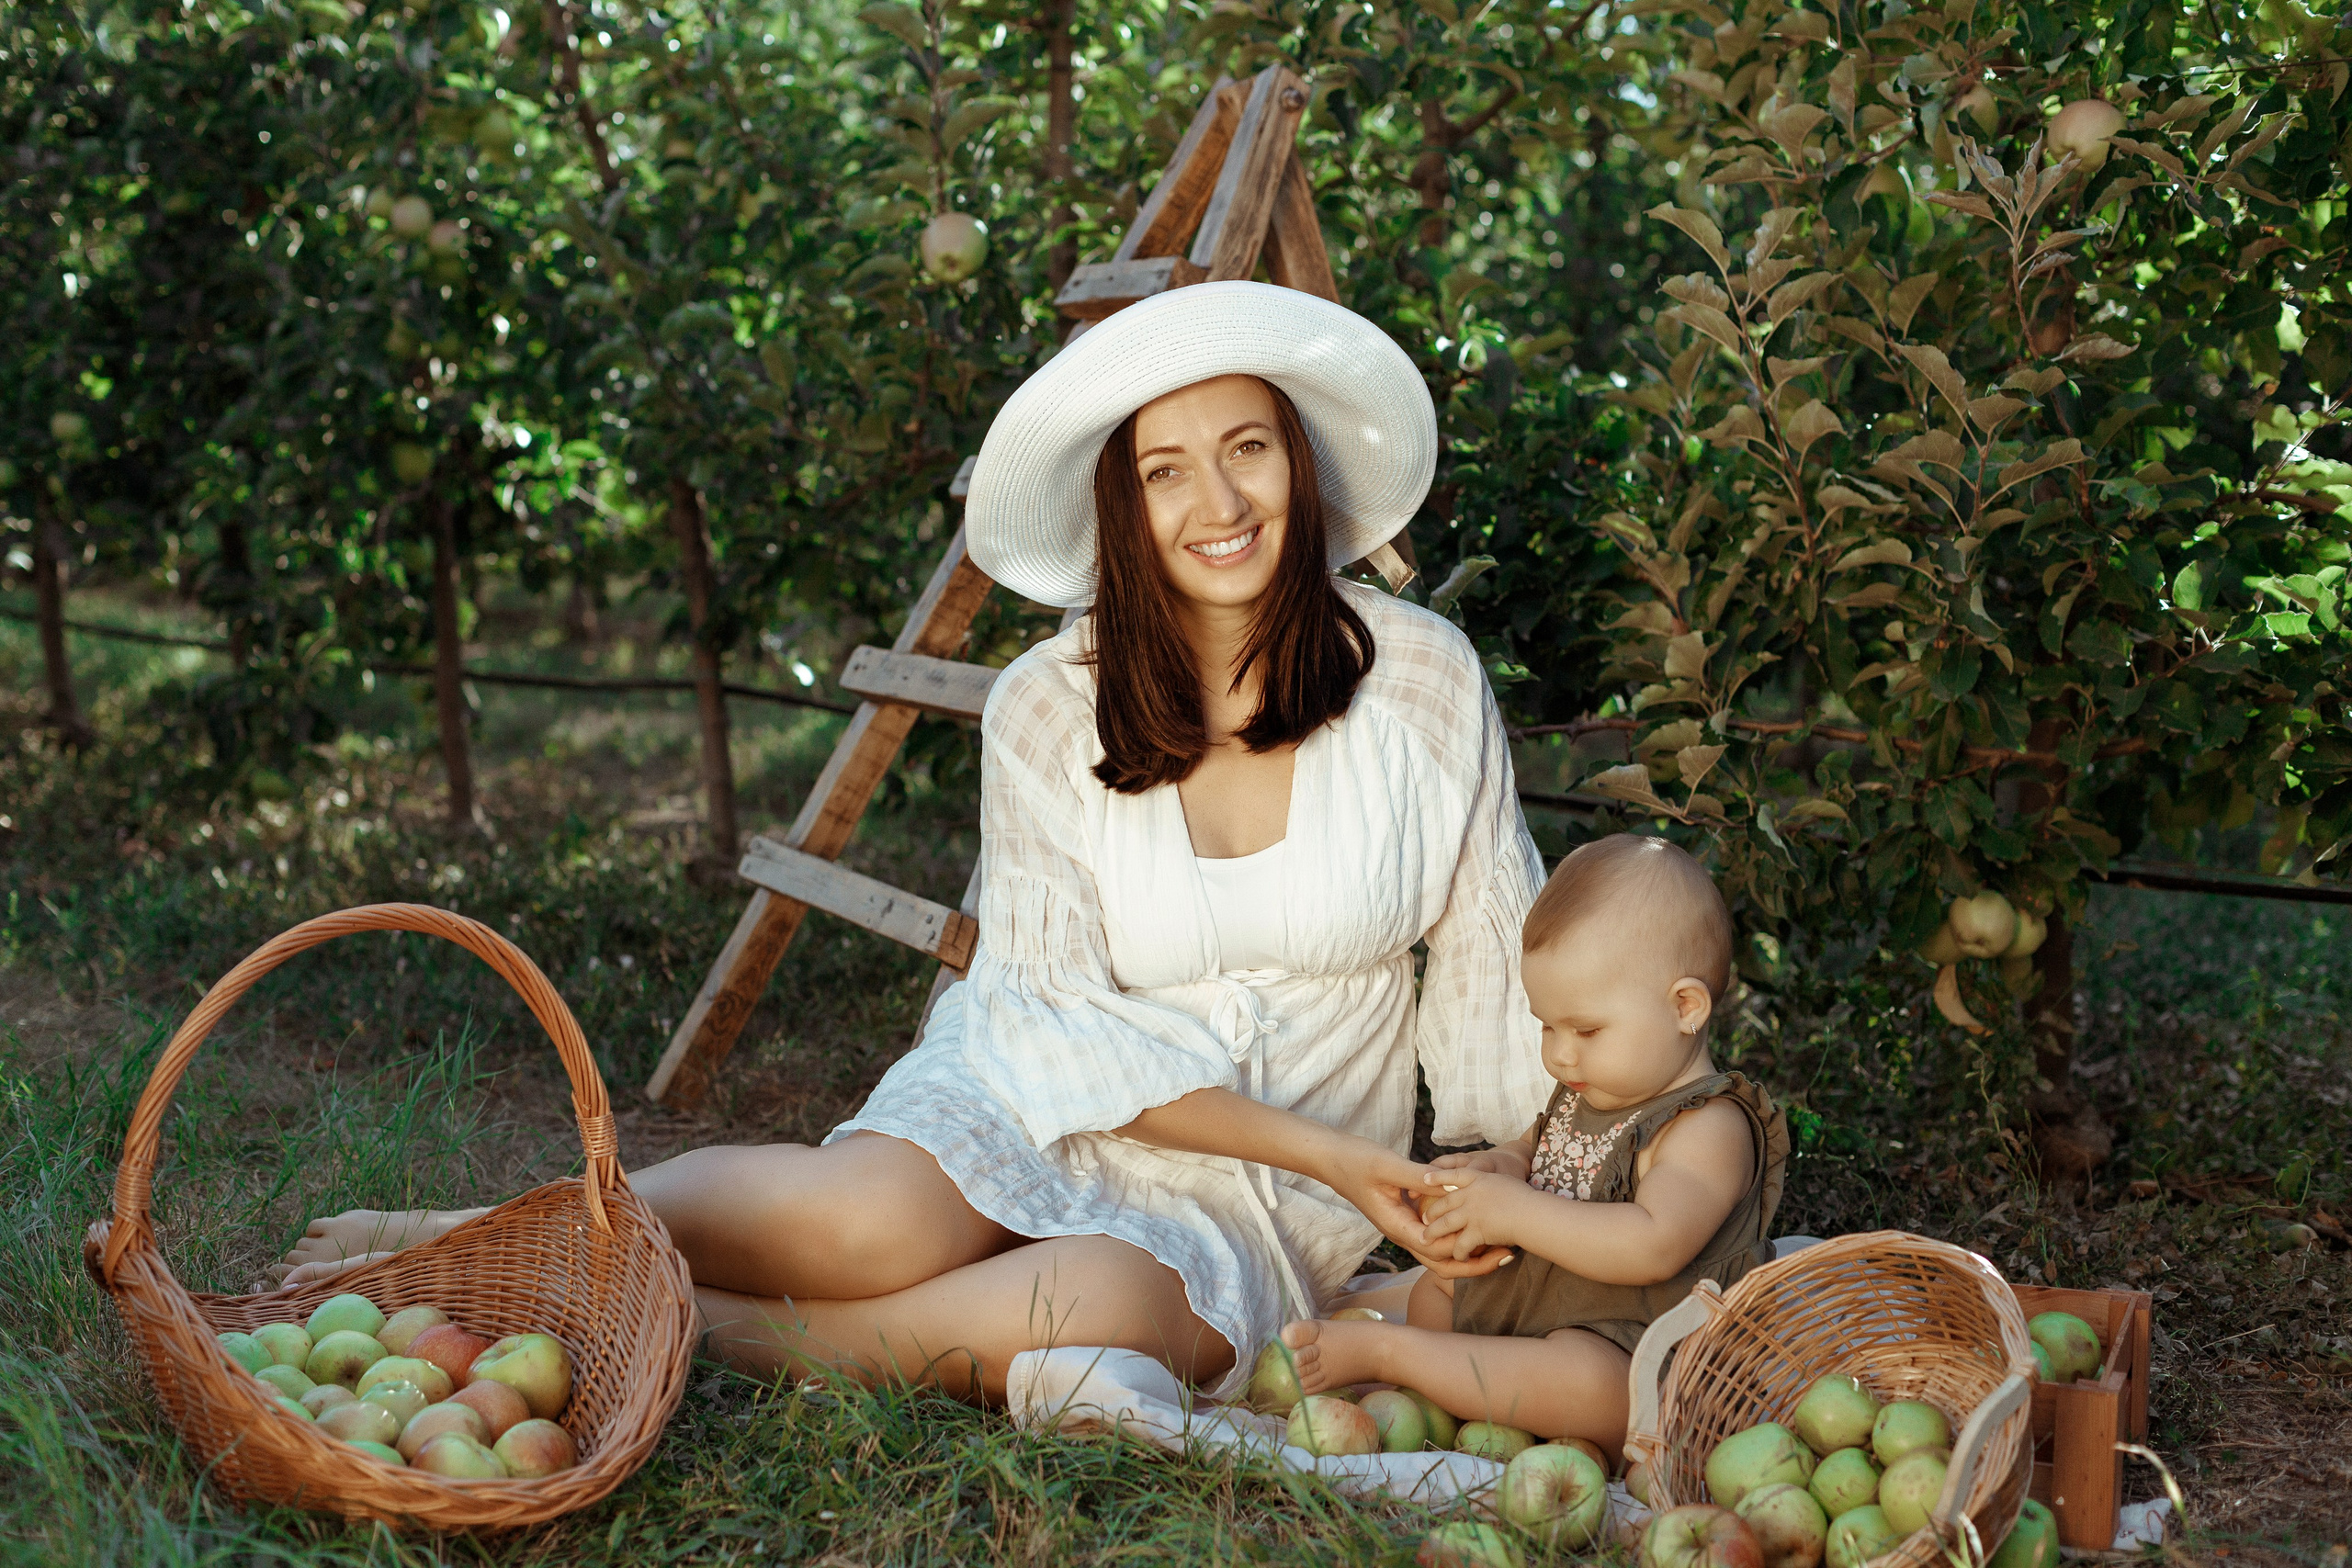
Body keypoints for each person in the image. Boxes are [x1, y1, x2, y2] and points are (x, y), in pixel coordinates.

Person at [271, 281, 1553, 1404]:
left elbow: (1498, 948)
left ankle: (661, 1316)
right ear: (1121, 499)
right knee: (868, 1224)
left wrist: (1496, 1160)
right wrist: (1348, 1151)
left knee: (1087, 1306)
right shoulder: (1049, 705)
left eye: (1248, 449)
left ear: (1301, 463)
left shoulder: (1419, 681)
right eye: (1165, 468)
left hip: (1253, 1201)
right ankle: (503, 1232)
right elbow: (1044, 1011)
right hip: (1037, 1088)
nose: (1217, 502)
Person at [1274, 834, 1789, 1454]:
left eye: (1587, 1028)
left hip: (1634, 1335)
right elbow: (1538, 1148)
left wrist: (1513, 1209)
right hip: (1547, 1301)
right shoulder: (1591, 1089)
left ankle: (1394, 1354)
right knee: (1443, 1284)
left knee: (1597, 1386)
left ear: (1685, 1006)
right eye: (1547, 1025)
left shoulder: (1710, 1124)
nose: (1560, 1052)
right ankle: (1443, 1389)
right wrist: (1501, 1165)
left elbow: (1654, 1243)